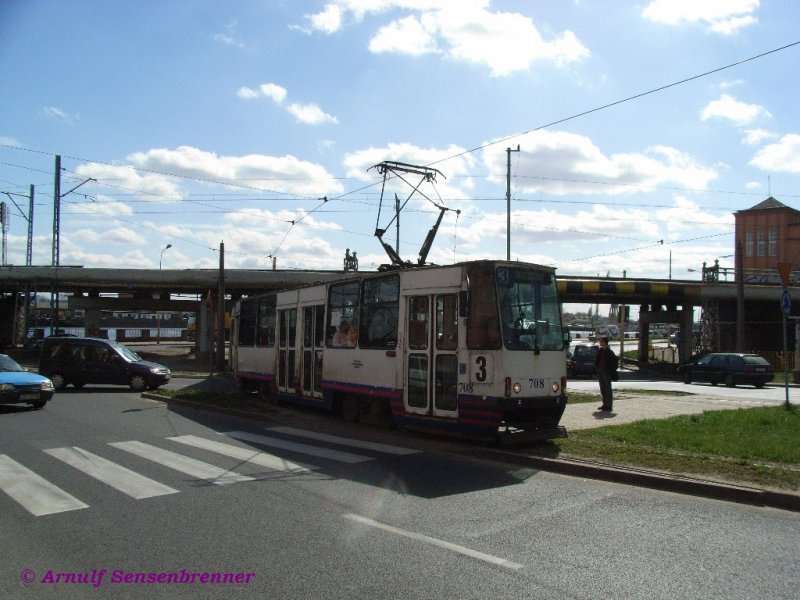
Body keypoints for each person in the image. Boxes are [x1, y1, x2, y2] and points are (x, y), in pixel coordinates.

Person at [595, 336, 618, 411]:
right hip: (600, 371)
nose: (599, 342)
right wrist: (597, 368)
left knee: (607, 389)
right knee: (602, 389)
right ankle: (604, 404)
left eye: (601, 341)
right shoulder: (600, 350)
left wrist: (610, 371)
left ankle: (609, 405)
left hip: (606, 371)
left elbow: (615, 363)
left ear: (604, 342)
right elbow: (597, 360)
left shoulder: (610, 352)